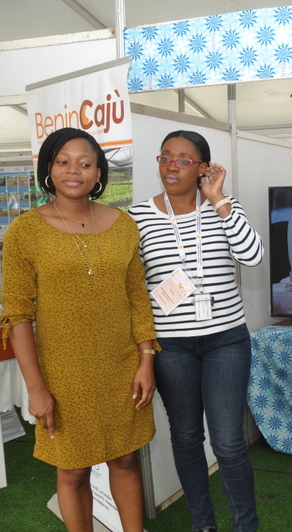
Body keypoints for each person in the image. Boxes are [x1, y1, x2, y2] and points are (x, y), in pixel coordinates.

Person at [0, 127, 157, 532]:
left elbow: (137, 296)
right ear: (48, 170)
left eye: (85, 163)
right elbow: (17, 315)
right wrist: (36, 388)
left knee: (126, 458)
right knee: (72, 470)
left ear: (99, 173)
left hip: (122, 367)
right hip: (63, 374)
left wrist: (146, 359)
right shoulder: (25, 231)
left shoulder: (124, 225)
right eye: (63, 162)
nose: (74, 171)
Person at [128, 130, 264, 532]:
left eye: (184, 160)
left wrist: (218, 199)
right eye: (166, 157)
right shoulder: (137, 218)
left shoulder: (224, 207)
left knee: (228, 441)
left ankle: (246, 526)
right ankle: (203, 524)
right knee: (186, 437)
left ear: (204, 168)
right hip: (171, 347)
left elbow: (253, 256)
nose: (172, 166)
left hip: (226, 341)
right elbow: (133, 288)